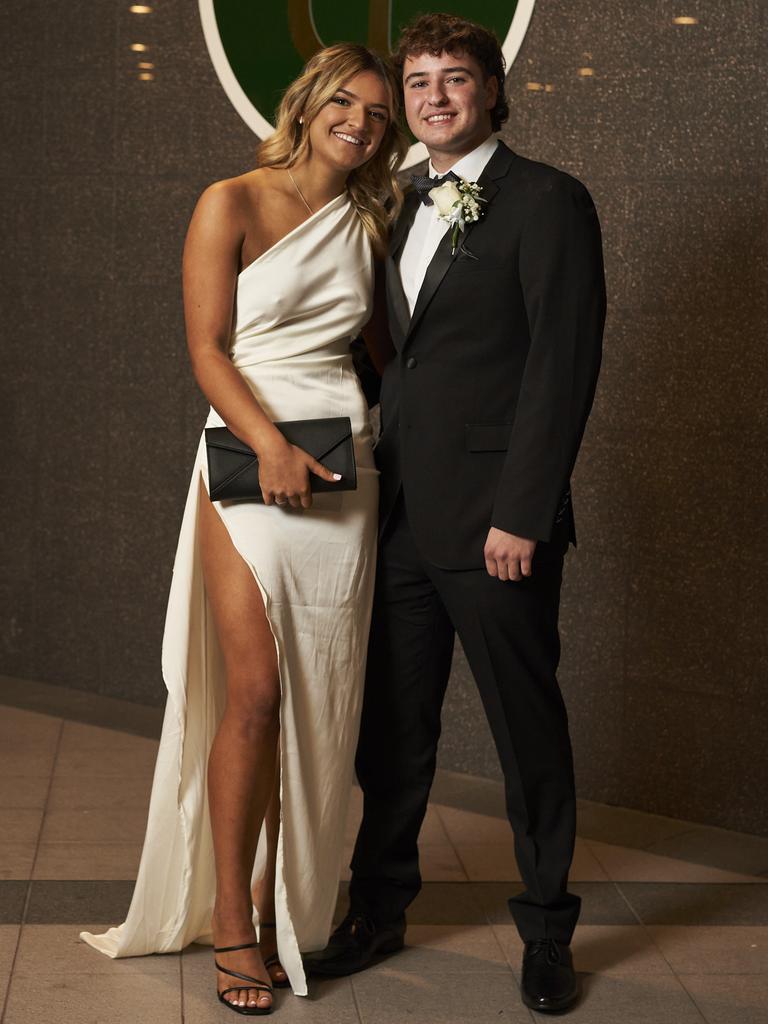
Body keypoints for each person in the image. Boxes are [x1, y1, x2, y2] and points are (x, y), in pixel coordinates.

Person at [80, 42, 407, 1015]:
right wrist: (265, 442)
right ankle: (231, 914)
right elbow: (206, 347)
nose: (361, 121)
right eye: (346, 102)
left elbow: (391, 353)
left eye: (379, 115)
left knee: (321, 700)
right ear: (308, 104)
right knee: (256, 692)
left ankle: (280, 897)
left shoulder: (369, 220)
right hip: (247, 452)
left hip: (345, 468)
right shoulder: (230, 199)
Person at [304, 13, 606, 1016]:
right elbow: (383, 356)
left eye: (455, 80)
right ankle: (378, 908)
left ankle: (549, 927)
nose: (434, 97)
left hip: (496, 528)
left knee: (528, 731)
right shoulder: (392, 204)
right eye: (419, 80)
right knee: (391, 734)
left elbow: (560, 370)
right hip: (397, 517)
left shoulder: (547, 202)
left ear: (490, 91)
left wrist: (522, 513)